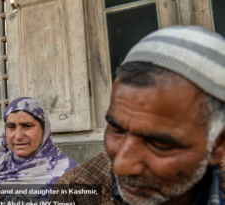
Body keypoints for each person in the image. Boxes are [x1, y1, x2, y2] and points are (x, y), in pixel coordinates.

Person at [49, 26, 225, 205]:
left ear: (217, 144)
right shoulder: (74, 193)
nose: (121, 167)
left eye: (159, 143)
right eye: (117, 130)